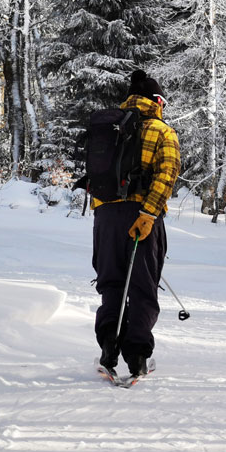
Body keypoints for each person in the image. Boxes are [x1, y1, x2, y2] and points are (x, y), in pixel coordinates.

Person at [93, 69, 181, 377]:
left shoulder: (110, 127)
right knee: (142, 286)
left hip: (105, 217)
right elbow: (166, 175)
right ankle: (138, 357)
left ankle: (107, 348)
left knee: (112, 284)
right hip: (141, 216)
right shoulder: (162, 131)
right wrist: (148, 214)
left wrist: (104, 211)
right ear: (156, 100)